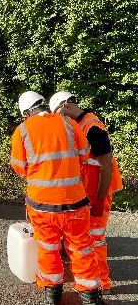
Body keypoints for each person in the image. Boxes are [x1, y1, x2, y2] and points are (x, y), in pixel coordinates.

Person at [10, 90, 105, 305]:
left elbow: (19, 168)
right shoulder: (70, 124)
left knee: (48, 247)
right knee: (81, 248)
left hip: (42, 205)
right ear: (43, 105)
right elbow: (84, 155)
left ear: (26, 113)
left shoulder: (22, 130)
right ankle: (90, 297)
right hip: (75, 203)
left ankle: (52, 293)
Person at [49, 91, 123, 295]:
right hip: (89, 191)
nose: (59, 120)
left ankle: (102, 284)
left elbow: (106, 165)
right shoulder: (83, 124)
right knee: (87, 237)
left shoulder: (93, 127)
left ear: (65, 106)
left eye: (58, 114)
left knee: (95, 238)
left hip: (98, 192)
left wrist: (99, 200)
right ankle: (93, 278)